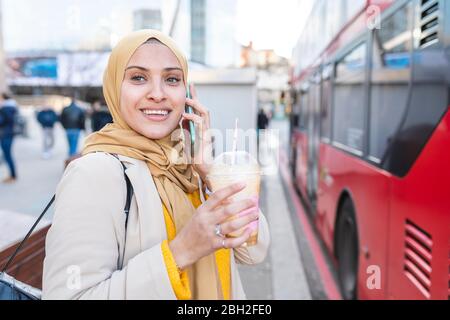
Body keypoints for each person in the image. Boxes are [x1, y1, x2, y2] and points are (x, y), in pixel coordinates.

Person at [42, 29, 269, 300]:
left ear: (186, 93)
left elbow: (252, 251)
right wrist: (181, 251)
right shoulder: (92, 174)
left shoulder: (189, 167)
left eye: (172, 79)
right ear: (114, 87)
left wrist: (212, 174)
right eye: (139, 78)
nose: (158, 94)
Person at [0, 93, 19, 183]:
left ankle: (12, 176)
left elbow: (2, 121)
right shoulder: (12, 108)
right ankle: (12, 175)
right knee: (8, 155)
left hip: (5, 134)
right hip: (9, 134)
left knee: (8, 155)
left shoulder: (5, 109)